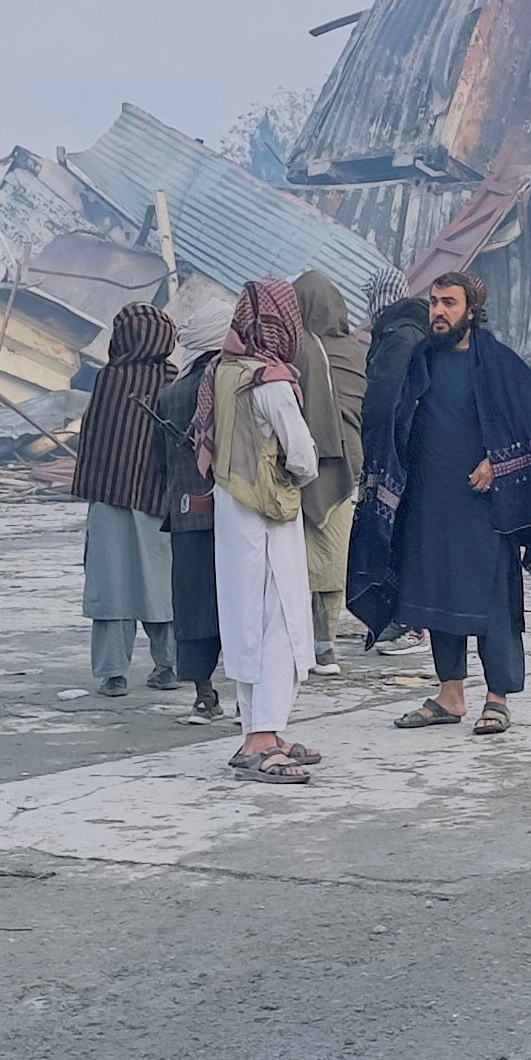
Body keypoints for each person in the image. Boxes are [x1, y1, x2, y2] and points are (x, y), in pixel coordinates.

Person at [348, 268, 531, 736]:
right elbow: (395, 421)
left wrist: (498, 462)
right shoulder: (421, 358)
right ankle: (450, 695)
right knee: (436, 596)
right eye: (435, 302)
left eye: (449, 303)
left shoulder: (498, 363)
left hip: (485, 511)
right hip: (428, 505)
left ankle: (496, 698)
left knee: (493, 602)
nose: (438, 311)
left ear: (472, 311)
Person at [202, 278, 322, 784]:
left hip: (231, 513)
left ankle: (256, 728)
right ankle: (263, 740)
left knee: (245, 622)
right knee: (282, 622)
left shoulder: (223, 371)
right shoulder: (271, 382)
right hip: (270, 517)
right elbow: (303, 455)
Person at [69, 303, 178, 695]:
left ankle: (113, 673)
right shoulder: (173, 380)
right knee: (159, 585)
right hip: (157, 501)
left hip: (108, 496)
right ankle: (169, 666)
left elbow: (96, 443)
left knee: (112, 584)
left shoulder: (108, 379)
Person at [291, 270, 367, 676]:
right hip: (349, 463)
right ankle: (327, 643)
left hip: (304, 459)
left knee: (301, 553)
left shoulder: (295, 350)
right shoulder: (356, 352)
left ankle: (303, 641)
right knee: (334, 553)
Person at [357, 273, 433, 656]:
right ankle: (403, 617)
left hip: (400, 450)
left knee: (402, 534)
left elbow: (383, 399)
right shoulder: (411, 329)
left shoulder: (399, 335)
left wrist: (371, 441)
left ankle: (414, 624)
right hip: (416, 448)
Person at [154, 337, 226, 721]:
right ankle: (254, 698)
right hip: (235, 515)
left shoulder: (170, 394)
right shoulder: (228, 384)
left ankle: (204, 692)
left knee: (195, 604)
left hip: (186, 514)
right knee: (238, 605)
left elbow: (159, 463)